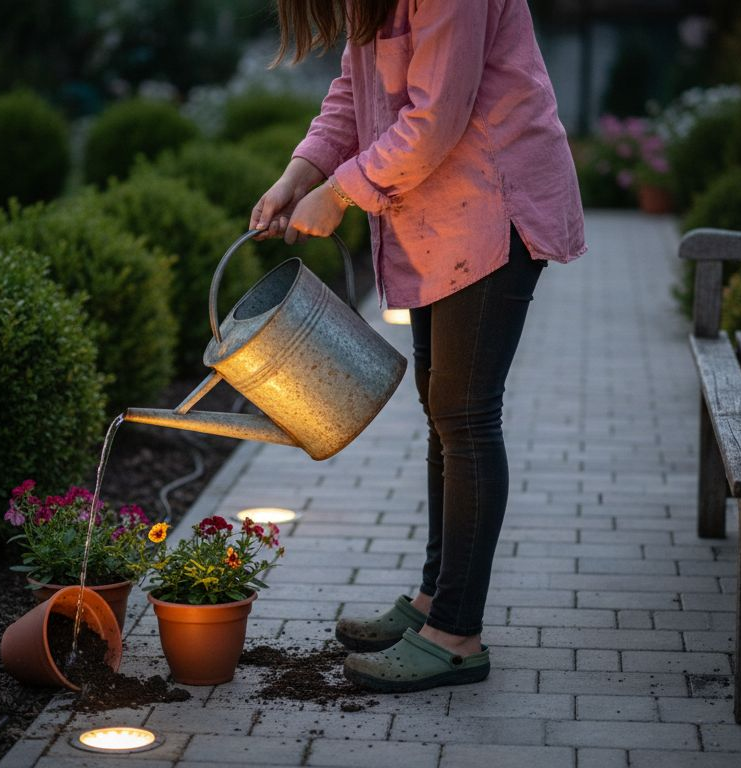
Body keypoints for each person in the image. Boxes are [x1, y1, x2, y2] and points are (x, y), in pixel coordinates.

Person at [249, 0, 586, 692]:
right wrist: (299, 175)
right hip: (438, 213)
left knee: (464, 415)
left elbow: (436, 118)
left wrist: (340, 194)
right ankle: (436, 600)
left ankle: (456, 635)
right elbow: (355, 88)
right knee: (444, 415)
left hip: (494, 204)